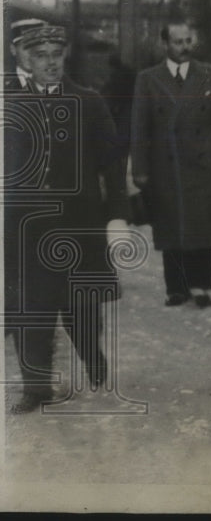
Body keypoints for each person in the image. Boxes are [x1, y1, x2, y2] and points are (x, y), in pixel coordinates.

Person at [3, 24, 128, 412]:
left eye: (57, 55)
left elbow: (112, 165)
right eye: (40, 56)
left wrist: (118, 218)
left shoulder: (88, 101)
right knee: (30, 309)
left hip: (80, 227)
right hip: (26, 229)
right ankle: (35, 386)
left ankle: (92, 353)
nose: (51, 63)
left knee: (81, 308)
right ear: (22, 57)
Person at [131, 20, 211, 308]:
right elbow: (139, 127)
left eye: (188, 40)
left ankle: (201, 285)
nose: (184, 47)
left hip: (205, 165)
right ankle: (176, 288)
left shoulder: (210, 75)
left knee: (202, 226)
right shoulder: (148, 78)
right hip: (166, 165)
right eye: (178, 42)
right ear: (165, 44)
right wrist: (139, 168)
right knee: (170, 226)